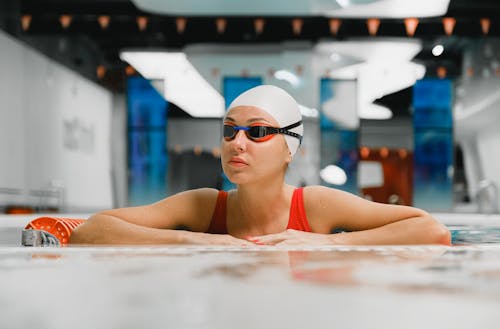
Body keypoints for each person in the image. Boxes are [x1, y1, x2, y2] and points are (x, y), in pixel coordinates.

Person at [70, 85, 451, 246]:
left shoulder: (314, 206)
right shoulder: (206, 207)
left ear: (289, 149)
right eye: (230, 131)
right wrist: (196, 241)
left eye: (257, 132)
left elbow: (432, 231)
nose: (237, 143)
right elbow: (91, 230)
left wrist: (327, 244)